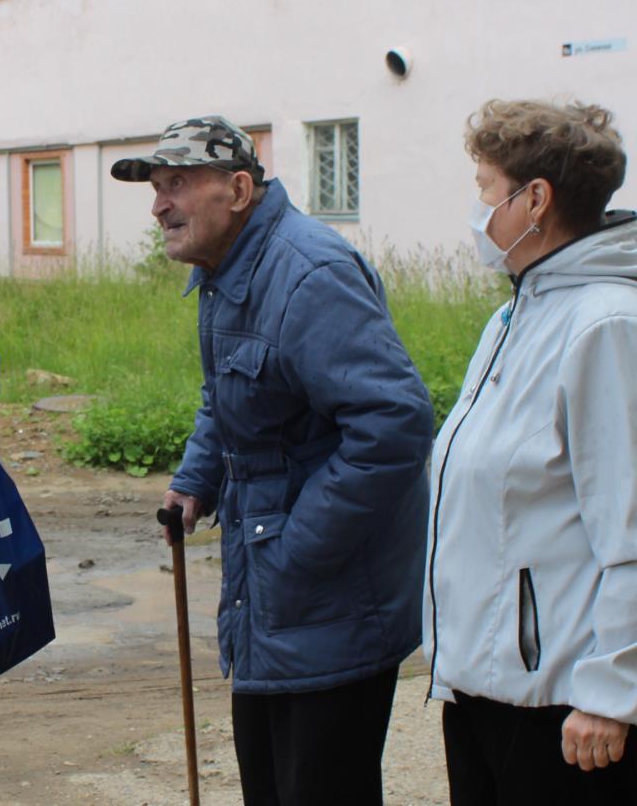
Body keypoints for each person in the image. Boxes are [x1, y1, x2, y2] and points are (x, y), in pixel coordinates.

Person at [112, 116, 433, 806]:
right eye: (155, 187)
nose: (159, 204)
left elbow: (394, 424)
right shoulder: (228, 269)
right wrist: (196, 480)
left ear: (237, 189)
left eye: (177, 184)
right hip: (279, 604)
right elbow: (229, 394)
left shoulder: (307, 274)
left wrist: (296, 546)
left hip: (331, 604)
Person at [424, 99, 637, 803]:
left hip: (567, 712)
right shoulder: (517, 313)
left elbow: (629, 527)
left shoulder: (604, 325)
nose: (479, 208)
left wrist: (613, 693)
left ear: (535, 199)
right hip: (487, 689)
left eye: (485, 187)